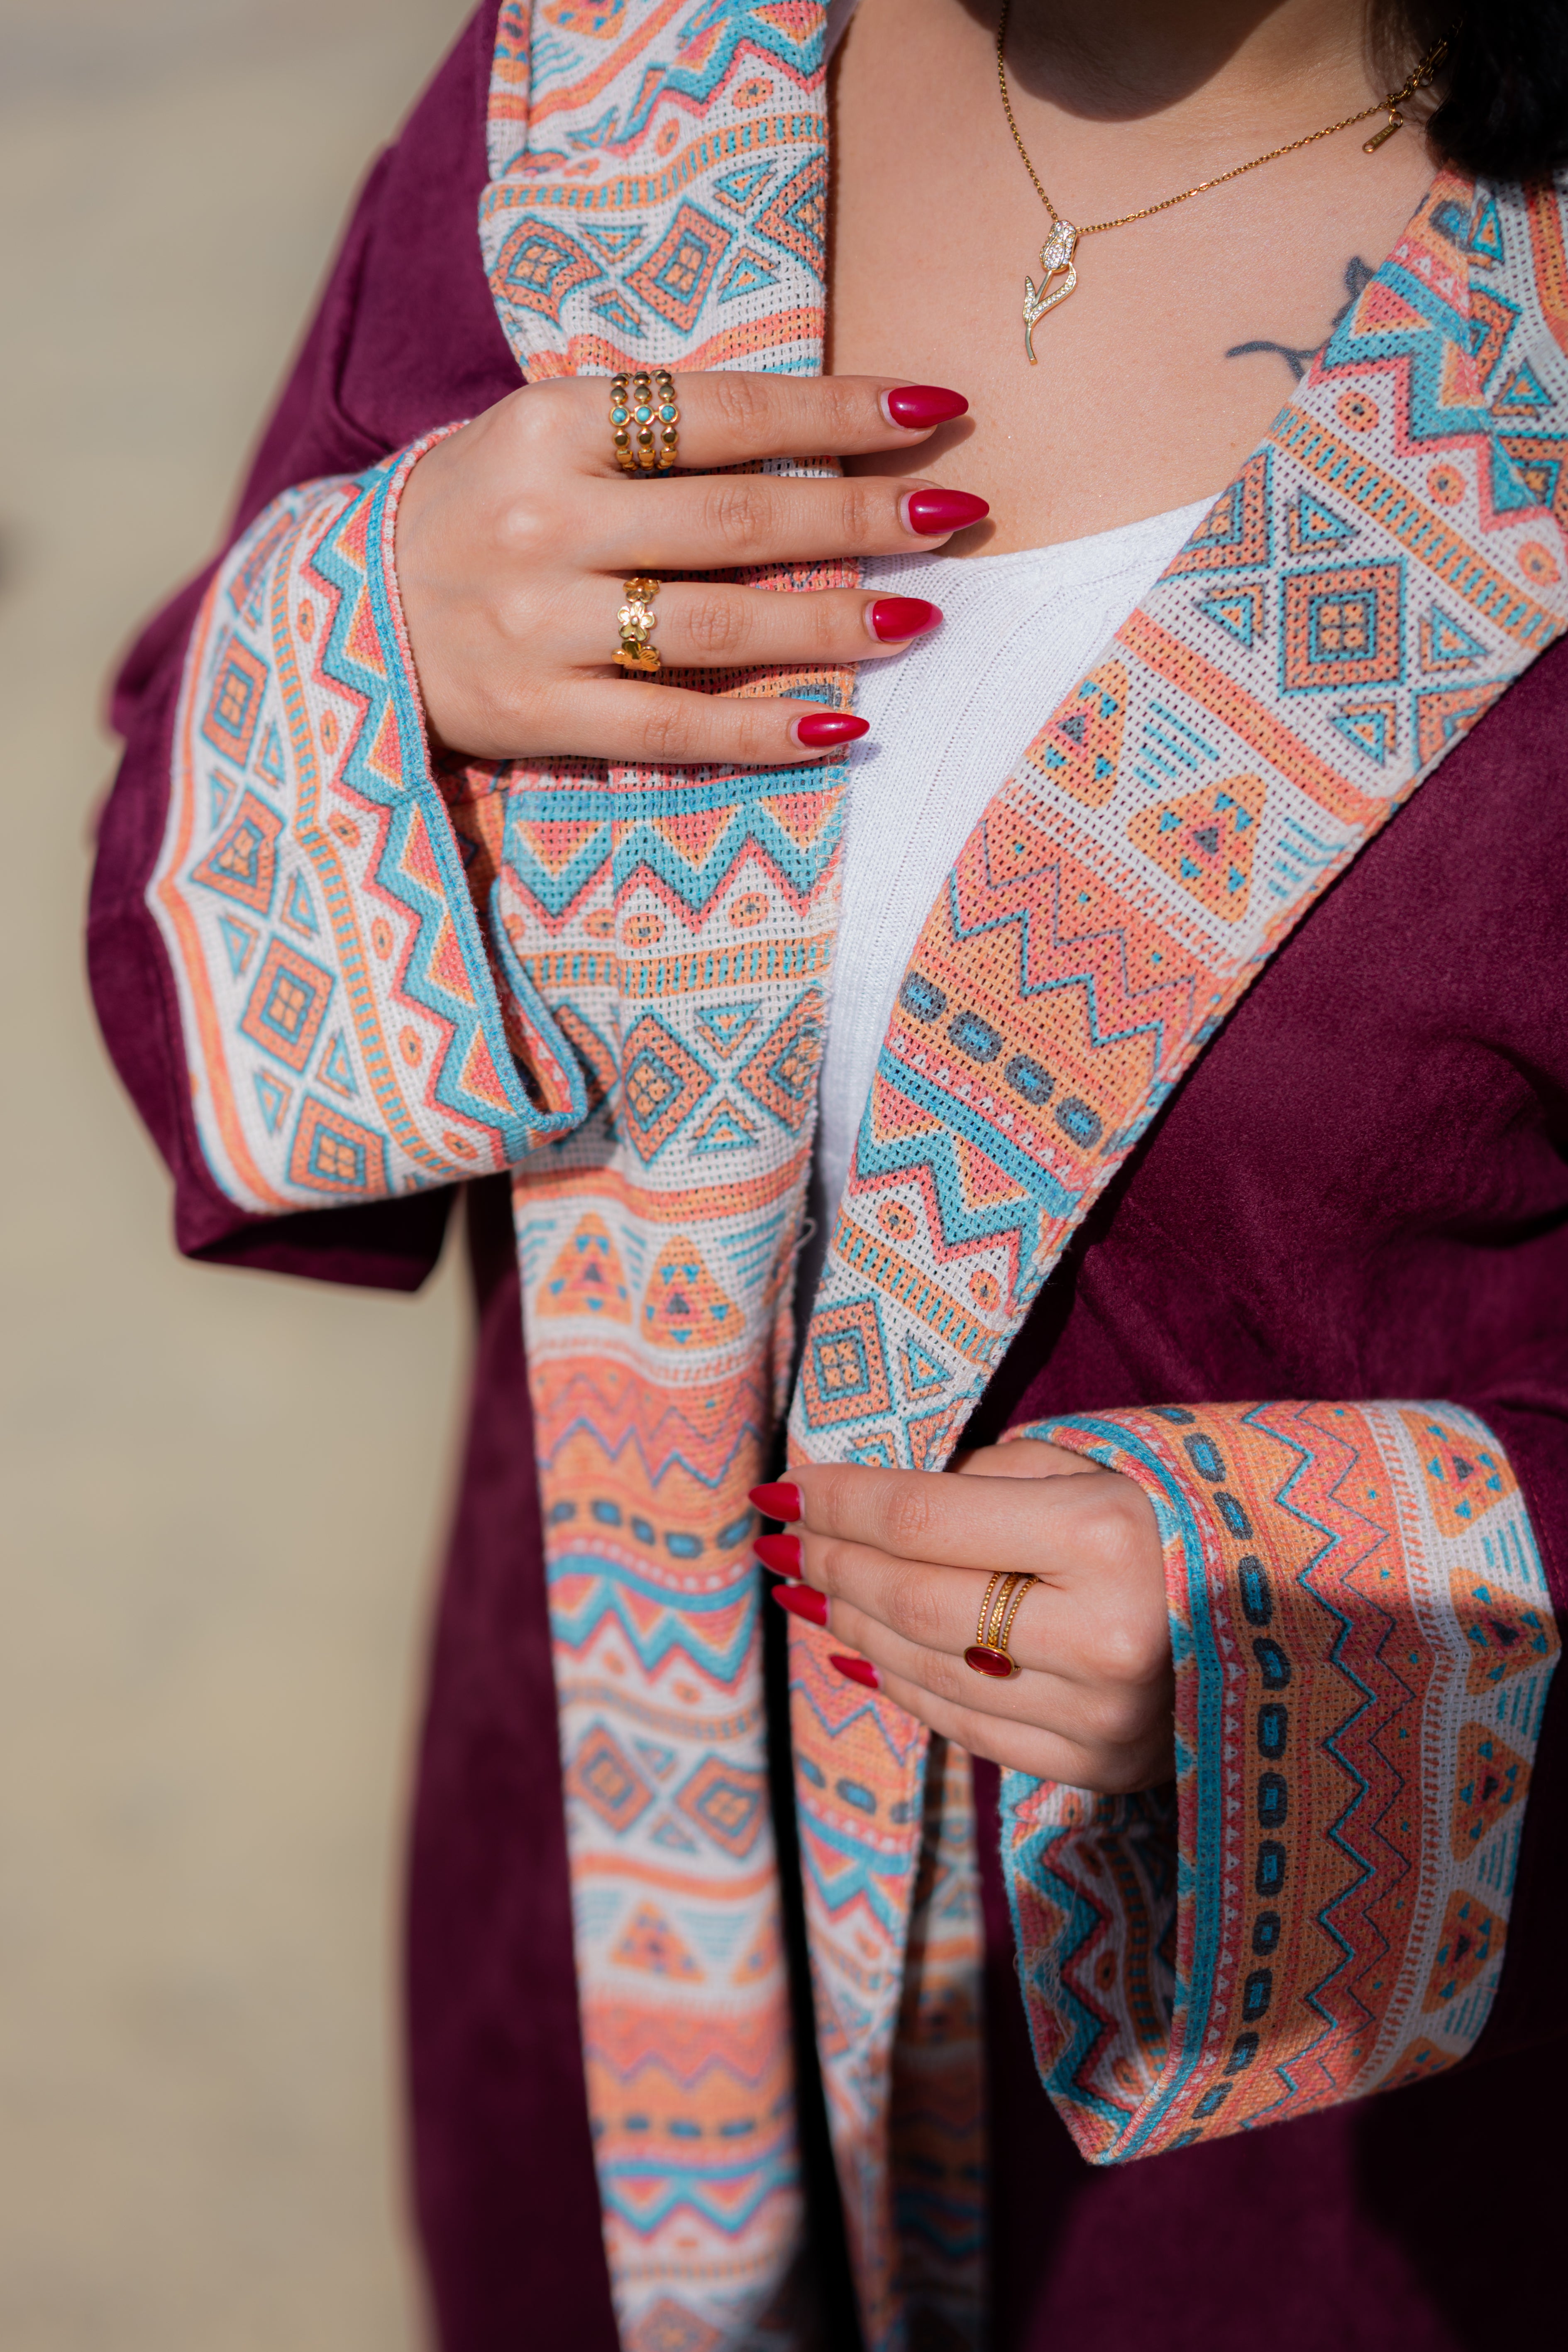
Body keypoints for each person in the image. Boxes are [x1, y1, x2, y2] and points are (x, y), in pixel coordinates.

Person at [89, 1, 1568, 2345]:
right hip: (617, 1950)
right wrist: (371, 628)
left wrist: (1381, 1582)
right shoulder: (604, 90)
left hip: (1298, 2145)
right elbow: (174, 891)